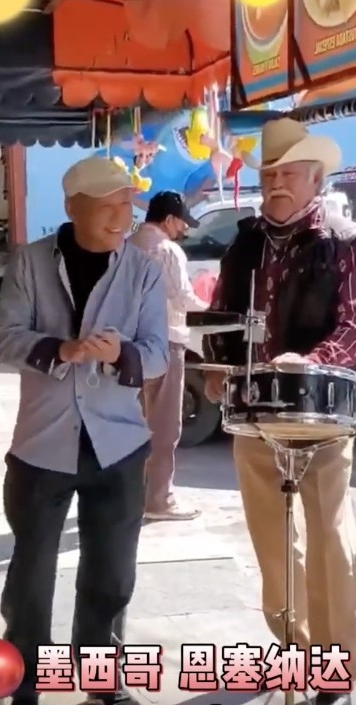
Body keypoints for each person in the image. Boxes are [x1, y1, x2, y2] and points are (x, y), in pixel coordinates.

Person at [203, 118, 356, 705]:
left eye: (287, 174)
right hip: (254, 411)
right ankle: (293, 648)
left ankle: (335, 663)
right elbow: (223, 314)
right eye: (269, 174)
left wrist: (312, 358)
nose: (276, 183)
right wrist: (217, 362)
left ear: (316, 179)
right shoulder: (244, 239)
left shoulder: (346, 241)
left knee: (329, 537)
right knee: (271, 540)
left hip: (323, 412)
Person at [0, 156, 169, 705]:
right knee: (32, 575)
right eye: (110, 204)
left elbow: (160, 352)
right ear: (74, 208)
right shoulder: (31, 262)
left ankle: (101, 681)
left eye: (128, 204)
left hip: (117, 444)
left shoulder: (144, 269)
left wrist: (122, 356)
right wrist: (59, 350)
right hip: (42, 443)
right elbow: (4, 337)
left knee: (112, 576)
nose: (124, 215)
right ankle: (24, 683)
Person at [129, 190, 206, 520]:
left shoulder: (128, 245)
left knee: (133, 423)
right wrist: (212, 304)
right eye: (181, 223)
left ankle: (133, 495)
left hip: (129, 344)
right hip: (165, 342)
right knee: (164, 426)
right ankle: (159, 500)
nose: (184, 230)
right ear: (169, 219)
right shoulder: (167, 250)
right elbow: (183, 299)